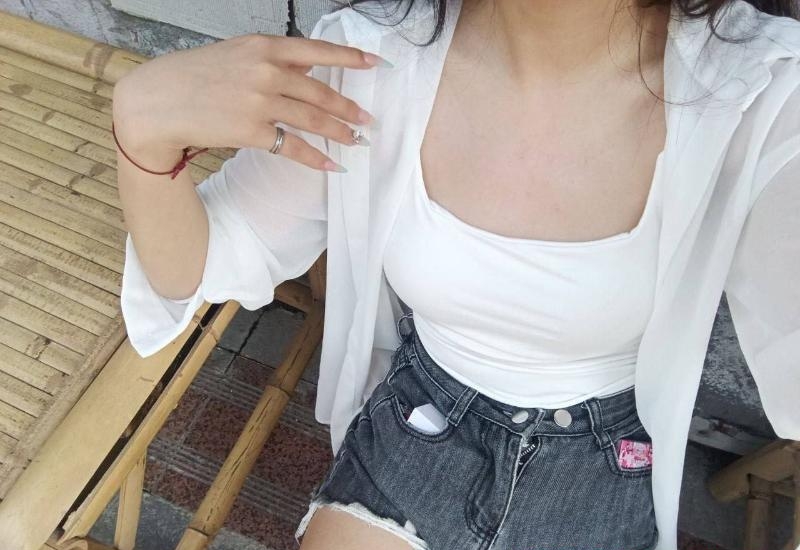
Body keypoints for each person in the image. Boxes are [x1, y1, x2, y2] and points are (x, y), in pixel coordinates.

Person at [115, 0, 800, 549]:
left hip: (604, 456)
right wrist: (143, 128)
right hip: (424, 421)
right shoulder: (368, 55)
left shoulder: (762, 94)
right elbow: (200, 263)